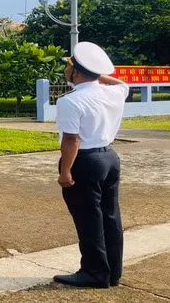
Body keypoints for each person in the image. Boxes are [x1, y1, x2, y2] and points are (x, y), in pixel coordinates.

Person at [53, 42, 129, 289]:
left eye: (69, 66)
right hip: (109, 158)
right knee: (110, 217)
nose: (66, 70)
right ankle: (112, 271)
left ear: (76, 72)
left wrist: (65, 171)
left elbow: (72, 139)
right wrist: (96, 73)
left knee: (88, 219)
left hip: (84, 161)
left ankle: (95, 272)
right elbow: (120, 83)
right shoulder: (115, 92)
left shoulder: (70, 101)